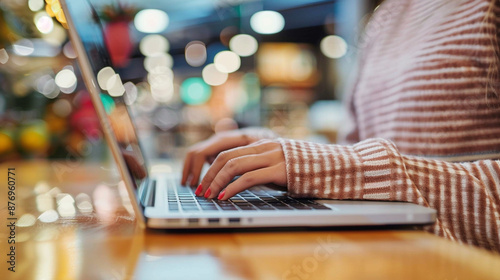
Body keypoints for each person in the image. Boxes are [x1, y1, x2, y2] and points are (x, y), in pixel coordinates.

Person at [181, 0, 500, 252]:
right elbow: (357, 155)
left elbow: (369, 171)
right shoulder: (388, 15)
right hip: (389, 258)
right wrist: (272, 153)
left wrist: (365, 171)